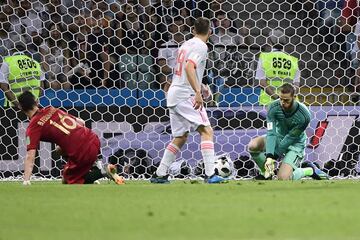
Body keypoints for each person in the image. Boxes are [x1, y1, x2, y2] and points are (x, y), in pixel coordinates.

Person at [150, 17, 226, 184]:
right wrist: (197, 92)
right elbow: (189, 66)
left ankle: (160, 174)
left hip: (174, 93)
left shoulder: (186, 44)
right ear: (210, 32)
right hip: (186, 95)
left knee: (181, 136)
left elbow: (187, 70)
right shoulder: (201, 46)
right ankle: (210, 174)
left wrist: (202, 86)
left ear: (193, 30)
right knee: (207, 131)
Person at [18, 91, 125, 185]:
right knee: (59, 149)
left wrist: (26, 180)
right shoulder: (51, 109)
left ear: (22, 108)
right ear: (36, 102)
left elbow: (30, 156)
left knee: (67, 179)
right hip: (93, 139)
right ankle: (92, 168)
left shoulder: (32, 128)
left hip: (81, 151)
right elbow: (82, 122)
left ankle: (102, 171)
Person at [247, 83, 329, 180]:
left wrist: (274, 157)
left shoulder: (304, 115)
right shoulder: (273, 107)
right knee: (253, 145)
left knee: (283, 178)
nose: (282, 103)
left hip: (295, 143)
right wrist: (269, 156)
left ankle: (309, 170)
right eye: (281, 99)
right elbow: (271, 133)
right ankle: (267, 173)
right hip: (278, 137)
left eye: (286, 100)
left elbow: (290, 138)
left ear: (294, 97)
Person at [255, 29, 300, 106]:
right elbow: (296, 86)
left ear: (269, 41)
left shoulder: (264, 57)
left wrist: (277, 98)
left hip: (269, 103)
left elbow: (262, 83)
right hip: (290, 104)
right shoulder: (293, 60)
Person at [0, 44, 44, 108]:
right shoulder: (36, 63)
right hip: (34, 105)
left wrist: (18, 105)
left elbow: (4, 87)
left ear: (12, 51)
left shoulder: (7, 62)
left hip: (14, 106)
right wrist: (37, 100)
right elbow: (42, 85)